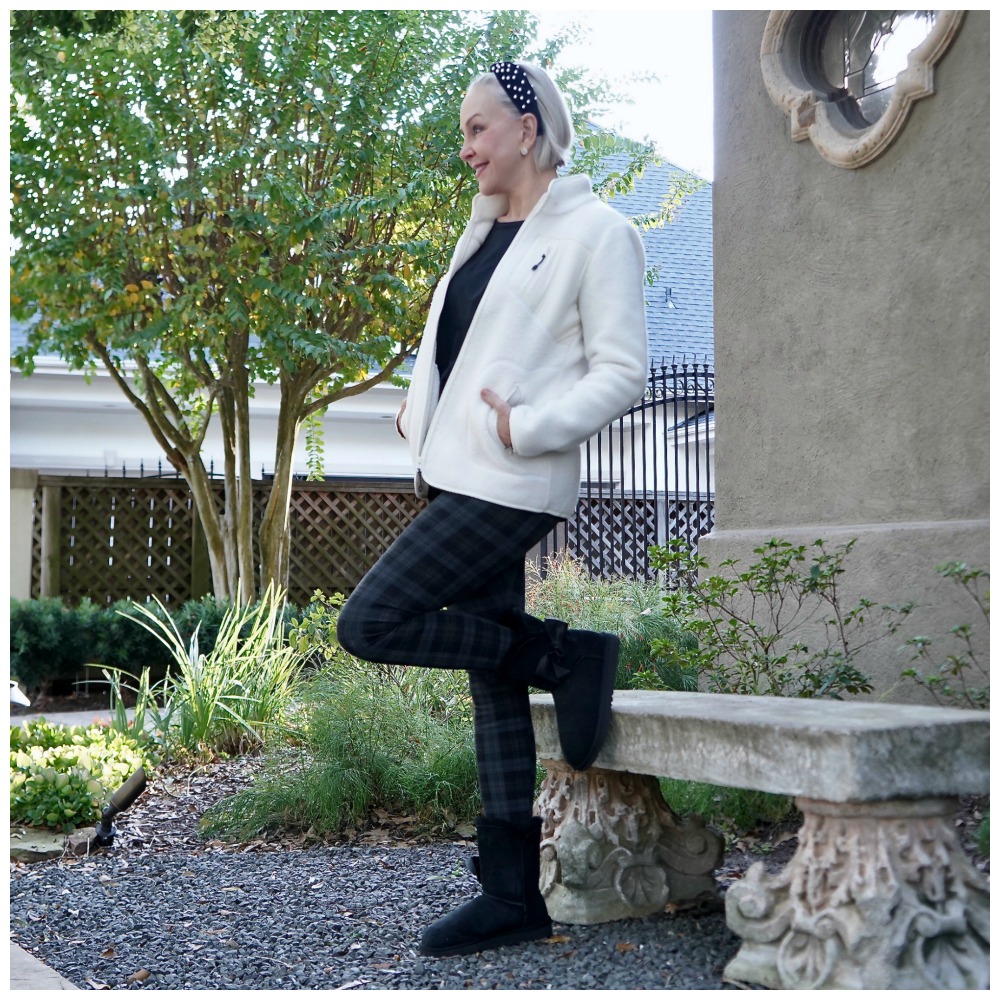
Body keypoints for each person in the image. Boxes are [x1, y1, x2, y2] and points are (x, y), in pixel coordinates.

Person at [336, 60, 648, 957]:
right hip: (454, 470)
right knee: (493, 686)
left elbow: (622, 372)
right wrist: (417, 406)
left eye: (478, 128)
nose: (465, 147)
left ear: (528, 127)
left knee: (371, 620)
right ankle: (513, 894)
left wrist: (533, 426)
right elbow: (457, 348)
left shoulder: (598, 232)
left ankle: (562, 651)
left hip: (511, 477)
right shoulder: (478, 236)